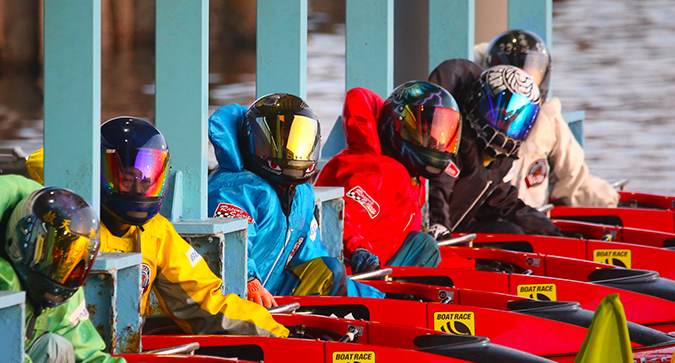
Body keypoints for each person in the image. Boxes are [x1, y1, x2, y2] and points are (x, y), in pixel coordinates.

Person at [26, 117, 289, 338]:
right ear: (100, 174)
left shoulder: (157, 233)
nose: (138, 188)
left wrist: (277, 335)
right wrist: (79, 165)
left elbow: (205, 300)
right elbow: (38, 161)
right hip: (62, 348)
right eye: (126, 178)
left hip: (121, 351)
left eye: (147, 179)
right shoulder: (68, 224)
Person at [0, 175, 164, 363]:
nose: (64, 268)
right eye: (54, 254)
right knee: (56, 348)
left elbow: (88, 359)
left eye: (75, 258)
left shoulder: (67, 293)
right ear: (23, 242)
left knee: (58, 347)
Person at [208, 94, 383, 298]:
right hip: (232, 298)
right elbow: (232, 246)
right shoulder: (236, 189)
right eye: (280, 142)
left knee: (329, 270)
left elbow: (311, 256)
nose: (291, 153)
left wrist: (377, 298)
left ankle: (378, 302)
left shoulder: (302, 194)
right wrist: (248, 280)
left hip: (270, 293)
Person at [315, 81, 462, 274]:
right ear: (398, 124)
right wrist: (359, 250)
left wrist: (468, 267)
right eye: (425, 133)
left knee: (423, 243)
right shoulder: (373, 170)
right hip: (353, 272)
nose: (435, 142)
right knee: (424, 244)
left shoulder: (412, 178)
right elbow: (345, 219)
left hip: (379, 265)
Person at [477, 30, 619, 208]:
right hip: (487, 216)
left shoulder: (547, 119)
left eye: (530, 74)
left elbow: (574, 179)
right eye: (516, 77)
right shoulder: (475, 117)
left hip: (530, 216)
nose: (523, 85)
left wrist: (610, 202)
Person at [427, 61, 563, 237]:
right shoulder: (456, 144)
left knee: (513, 234)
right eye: (499, 116)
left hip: (457, 232)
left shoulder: (501, 162)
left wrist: (554, 232)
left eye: (516, 122)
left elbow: (506, 201)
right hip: (435, 234)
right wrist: (440, 227)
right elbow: (438, 189)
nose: (507, 127)